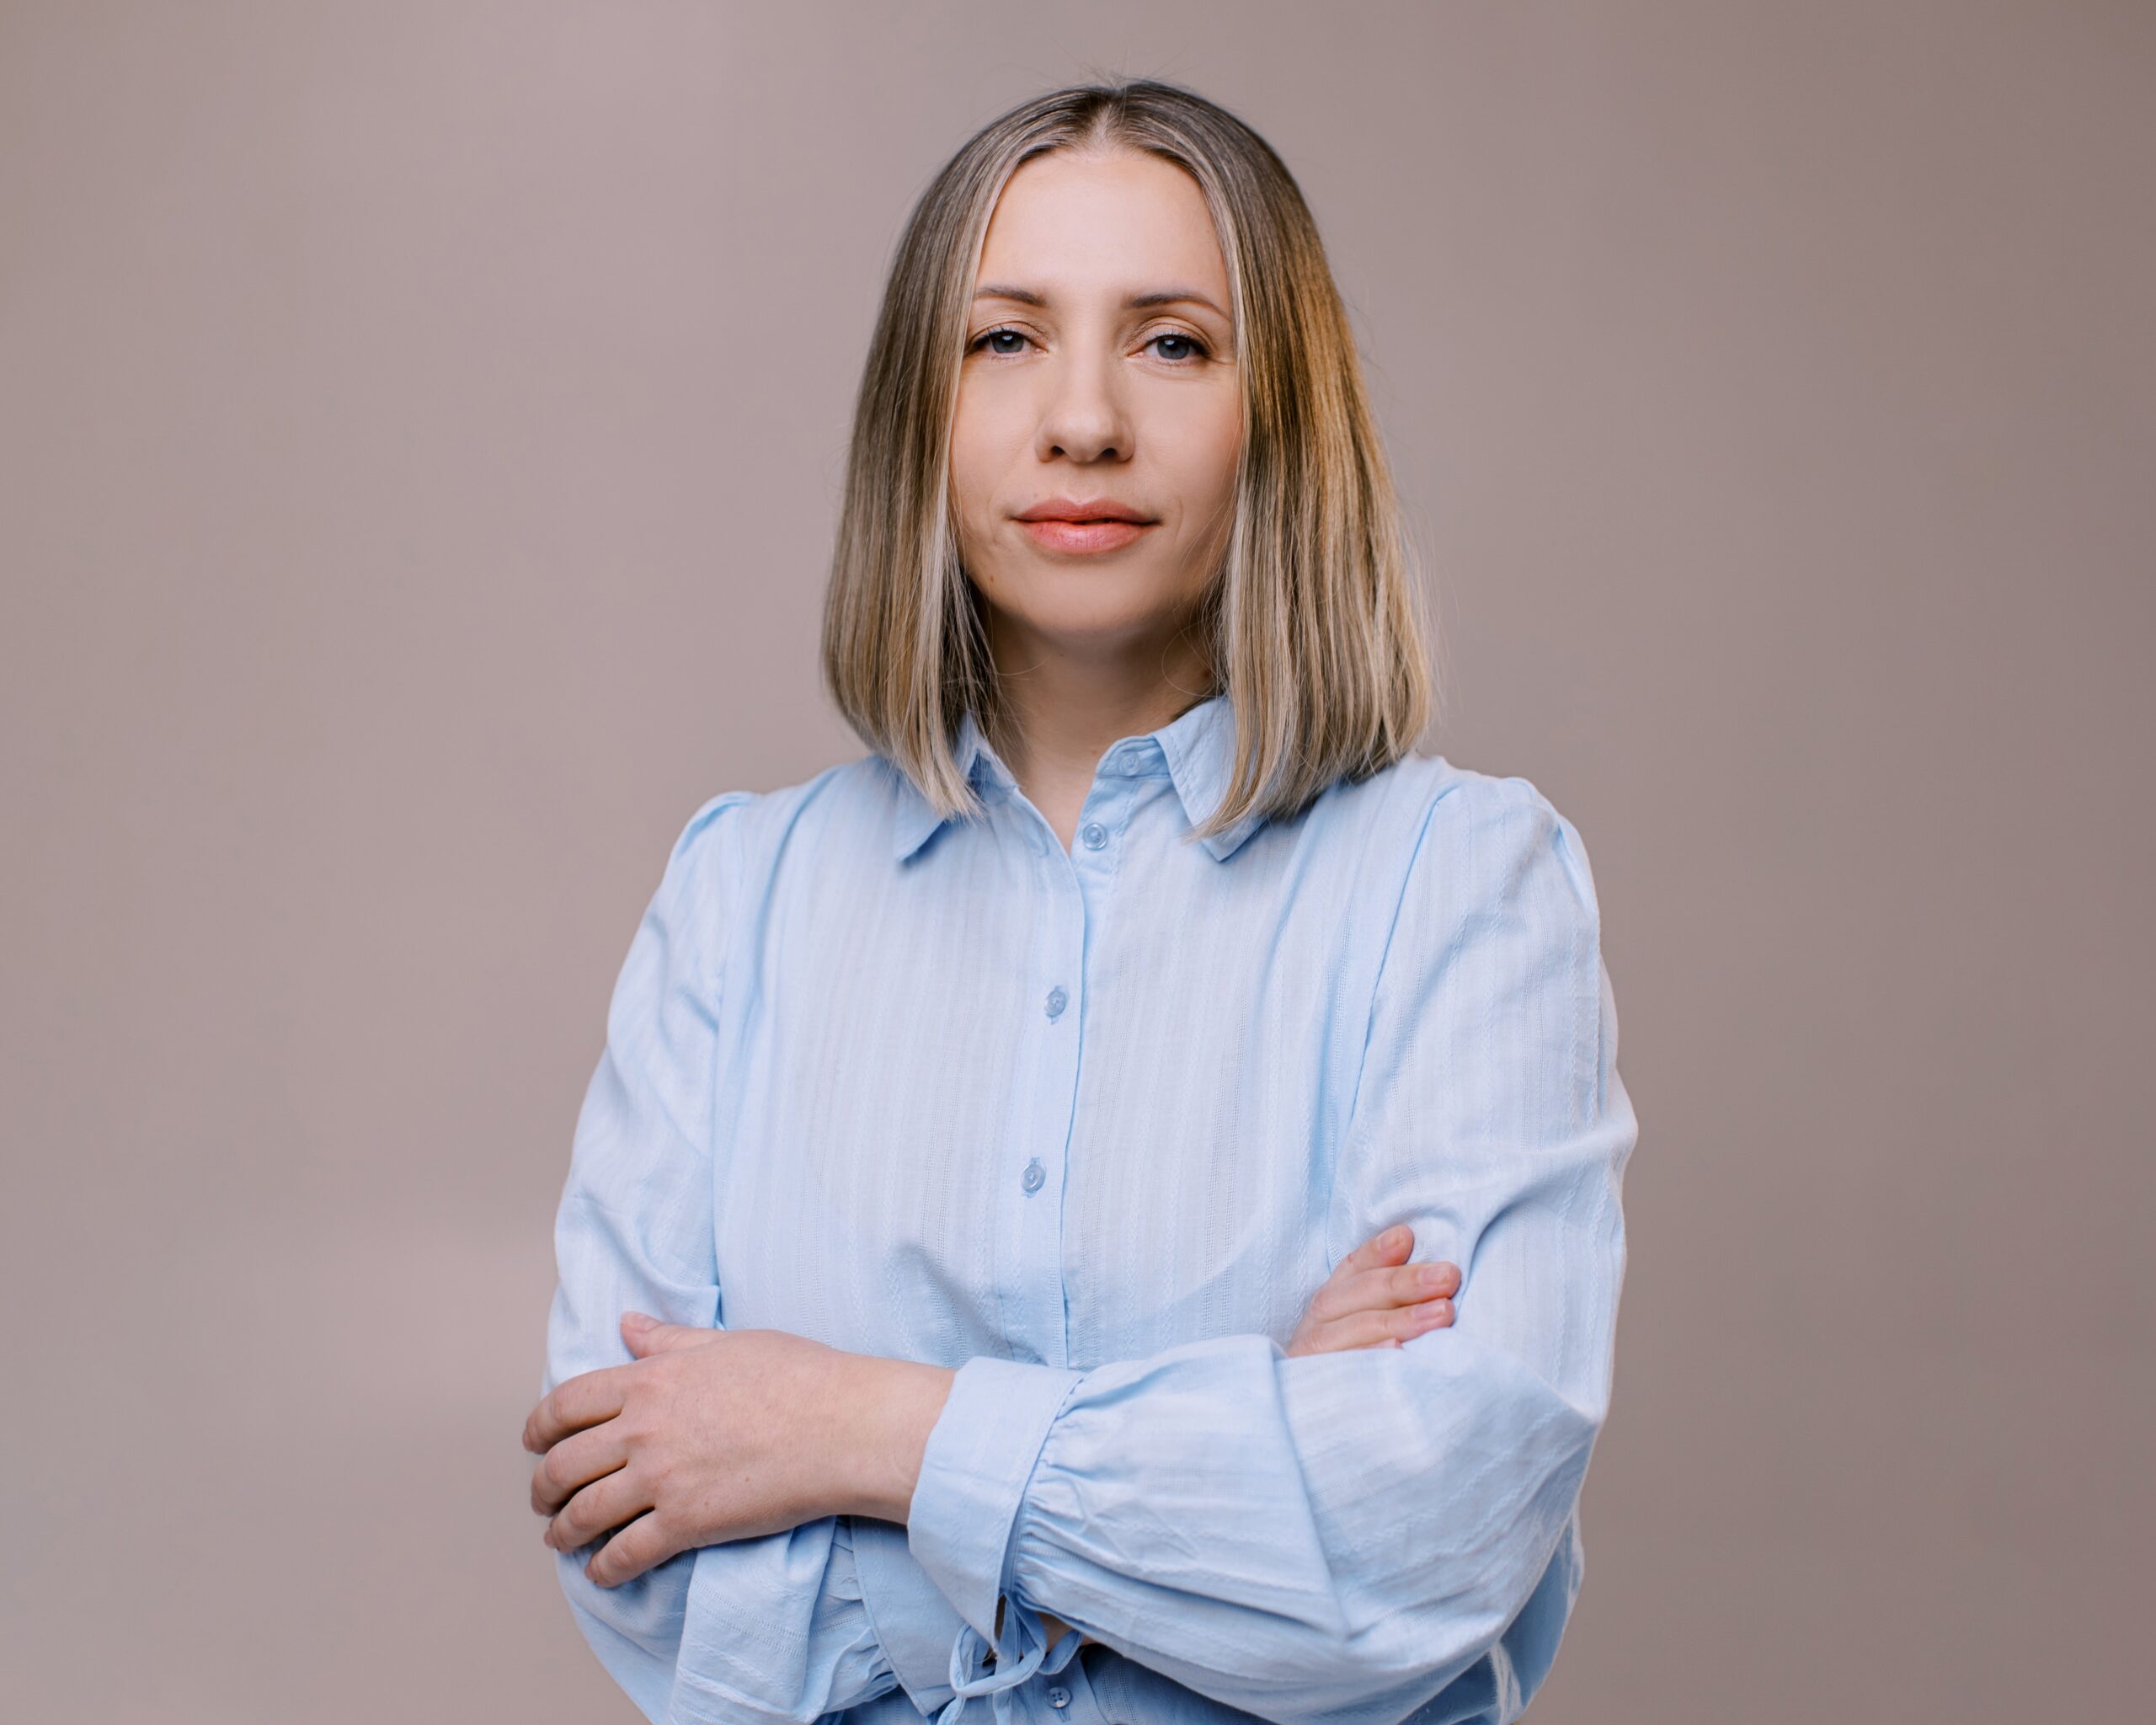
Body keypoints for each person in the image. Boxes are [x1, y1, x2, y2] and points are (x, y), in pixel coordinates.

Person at [522, 78, 1636, 1725]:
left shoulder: (1461, 884)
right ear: (921, 412)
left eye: (1172, 342)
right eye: (1006, 339)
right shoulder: (738, 900)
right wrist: (1244, 1456)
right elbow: (637, 1552)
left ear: (1281, 415)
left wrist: (852, 1433)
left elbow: (1432, 1529)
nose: (1085, 420)